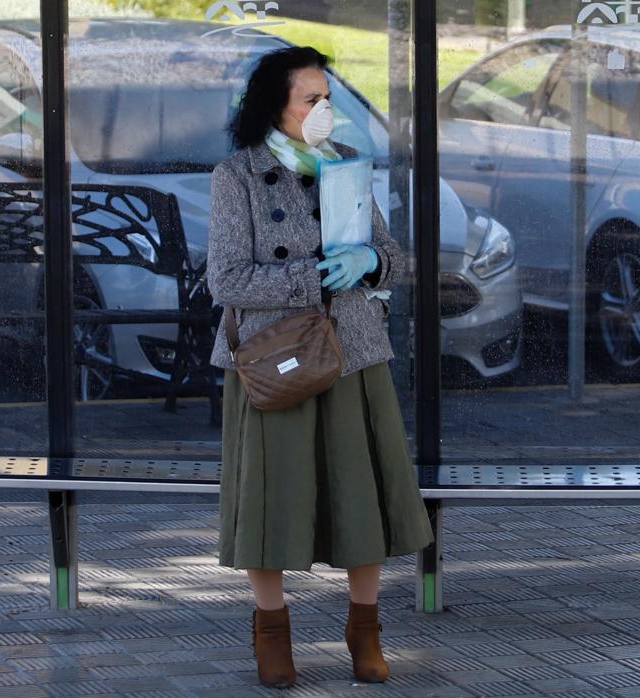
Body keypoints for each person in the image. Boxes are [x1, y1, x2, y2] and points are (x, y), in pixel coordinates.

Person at [206, 46, 435, 689]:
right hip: (275, 357)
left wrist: (369, 263)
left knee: (361, 497)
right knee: (272, 499)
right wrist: (311, 276)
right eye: (311, 99)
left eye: (327, 98)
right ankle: (272, 633)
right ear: (274, 107)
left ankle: (365, 629)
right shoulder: (238, 175)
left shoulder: (344, 168)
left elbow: (394, 258)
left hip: (353, 353)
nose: (324, 111)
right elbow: (226, 279)